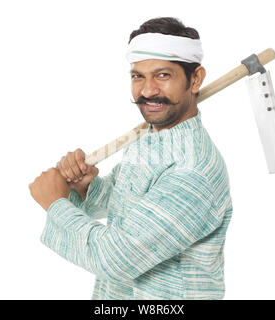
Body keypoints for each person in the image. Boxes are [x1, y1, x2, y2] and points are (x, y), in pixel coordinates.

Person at [29, 17, 233, 300]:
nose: (147, 91)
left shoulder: (193, 171)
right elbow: (129, 206)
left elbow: (114, 257)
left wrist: (55, 203)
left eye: (163, 75)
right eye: (138, 76)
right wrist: (85, 187)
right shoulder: (153, 137)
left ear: (195, 78)